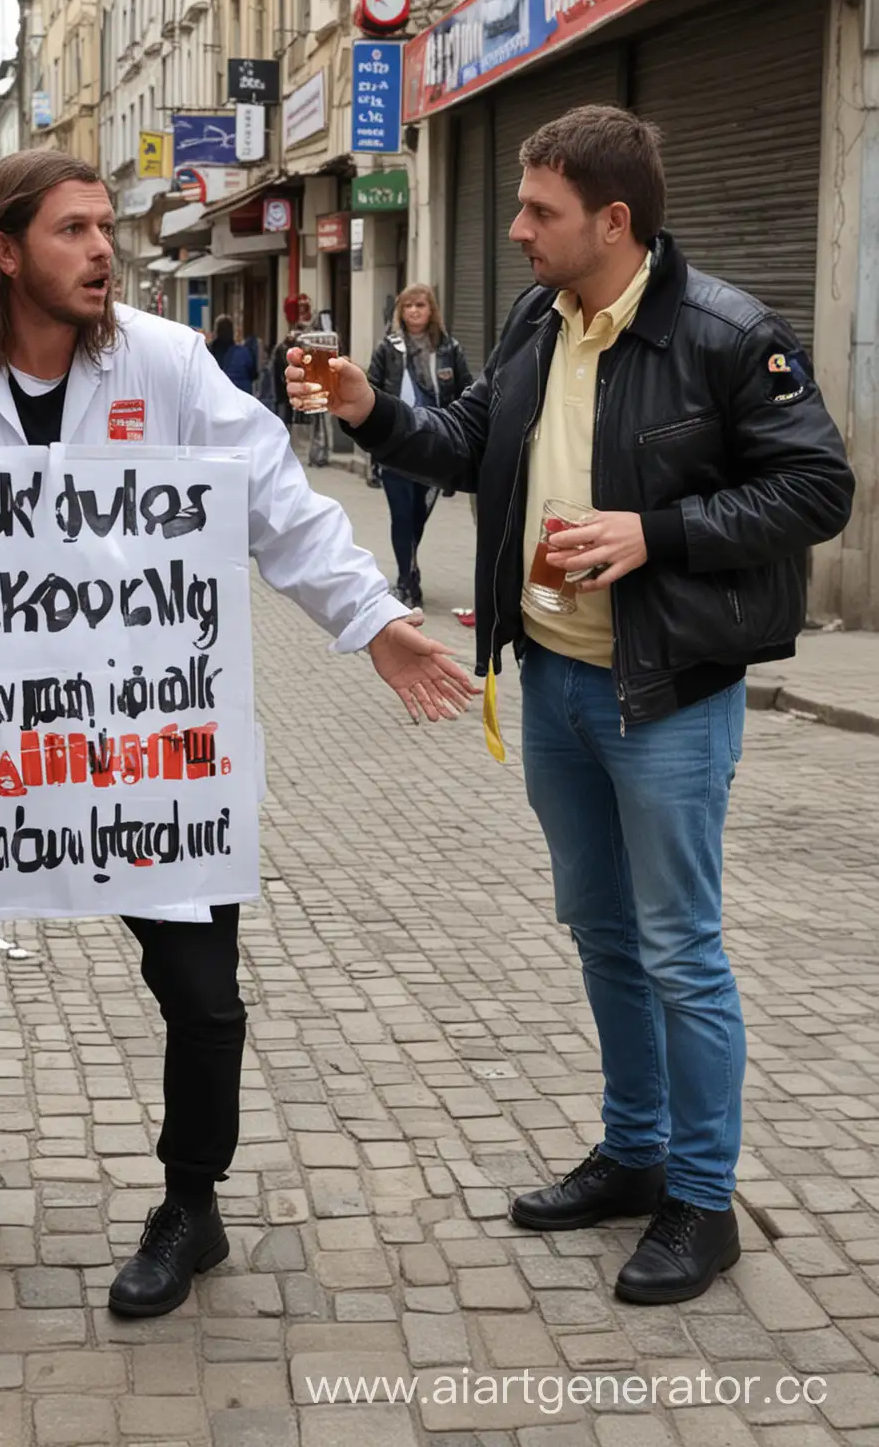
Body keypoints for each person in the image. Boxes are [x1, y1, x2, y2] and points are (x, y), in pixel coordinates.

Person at [0, 149, 476, 1320]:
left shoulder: (165, 362)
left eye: (107, 227)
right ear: (4, 249)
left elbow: (274, 493)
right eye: (73, 230)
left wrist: (377, 620)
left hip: (140, 745)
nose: (103, 249)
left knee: (202, 991)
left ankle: (190, 1208)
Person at [290, 104, 853, 1304]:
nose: (517, 228)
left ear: (614, 219)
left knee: (681, 952)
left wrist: (659, 533)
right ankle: (636, 1156)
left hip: (670, 694)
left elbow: (818, 485)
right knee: (603, 935)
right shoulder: (535, 319)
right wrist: (365, 411)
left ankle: (705, 1204)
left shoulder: (724, 333)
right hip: (553, 680)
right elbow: (466, 446)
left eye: (538, 210)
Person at [365, 286, 474, 613]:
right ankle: (406, 578)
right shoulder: (387, 349)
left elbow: (466, 395)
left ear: (431, 310)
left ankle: (410, 566)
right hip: (395, 447)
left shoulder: (449, 349)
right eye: (408, 305)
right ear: (400, 310)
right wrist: (373, 447)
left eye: (420, 305)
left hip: (433, 446)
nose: (414, 311)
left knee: (417, 517)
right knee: (401, 516)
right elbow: (371, 395)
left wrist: (461, 454)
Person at [207, 314, 260, 394]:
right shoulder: (244, 353)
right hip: (241, 399)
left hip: (217, 398)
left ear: (216, 331)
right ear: (232, 332)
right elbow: (254, 375)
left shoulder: (208, 353)